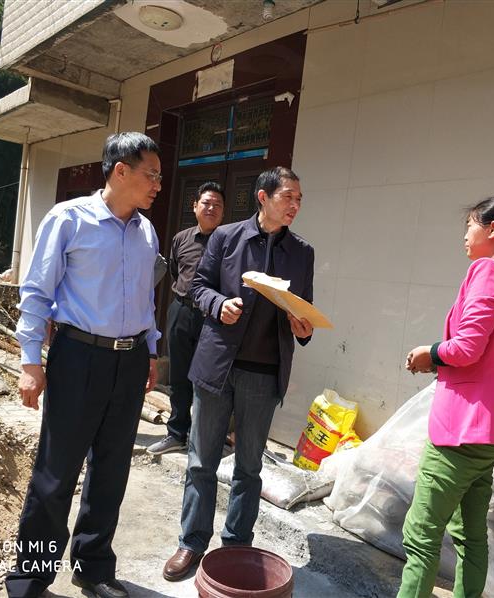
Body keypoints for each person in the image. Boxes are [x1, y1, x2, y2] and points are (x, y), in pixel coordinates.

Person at [6, 132, 163, 598]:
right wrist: (30, 361)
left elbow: (145, 300)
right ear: (121, 171)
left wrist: (150, 349)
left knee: (112, 469)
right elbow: (37, 293)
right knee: (56, 472)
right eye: (151, 175)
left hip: (130, 360)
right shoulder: (69, 219)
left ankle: (93, 567)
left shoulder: (146, 231)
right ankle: (30, 578)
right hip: (79, 357)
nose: (158, 184)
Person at [162, 166, 315, 581]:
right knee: (201, 461)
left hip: (264, 373)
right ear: (263, 197)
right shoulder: (227, 238)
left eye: (299, 199)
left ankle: (235, 547)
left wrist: (304, 328)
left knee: (249, 467)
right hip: (217, 366)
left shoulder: (302, 252)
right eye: (288, 197)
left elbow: (304, 307)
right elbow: (198, 287)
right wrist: (219, 305)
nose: (295, 205)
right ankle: (191, 543)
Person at [398, 196, 494, 598]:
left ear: (493, 229)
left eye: (470, 225)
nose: (464, 235)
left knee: (421, 532)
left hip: (464, 428)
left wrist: (429, 353)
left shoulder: (489, 270)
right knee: (469, 532)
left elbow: (467, 348)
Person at [147, 182, 225, 455]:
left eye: (217, 204)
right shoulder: (181, 238)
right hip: (181, 310)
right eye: (206, 203)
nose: (211, 208)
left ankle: (203, 438)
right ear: (195, 206)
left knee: (207, 378)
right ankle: (177, 433)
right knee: (179, 374)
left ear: (223, 211)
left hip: (212, 317)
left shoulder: (229, 241)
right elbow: (175, 271)